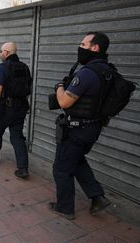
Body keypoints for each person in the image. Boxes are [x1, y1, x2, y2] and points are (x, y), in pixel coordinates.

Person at [49, 32, 111, 220]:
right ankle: (97, 196)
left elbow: (65, 102)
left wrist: (59, 86)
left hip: (77, 129)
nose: (79, 47)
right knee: (76, 160)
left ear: (95, 48)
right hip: (93, 128)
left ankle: (64, 208)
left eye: (83, 44)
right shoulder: (107, 71)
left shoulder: (87, 73)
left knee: (61, 168)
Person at [0, 42, 31, 180]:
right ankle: (23, 168)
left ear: (6, 53)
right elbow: (28, 89)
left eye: (1, 52)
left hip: (4, 109)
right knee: (17, 137)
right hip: (20, 108)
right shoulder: (25, 68)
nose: (0, 54)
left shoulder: (3, 68)